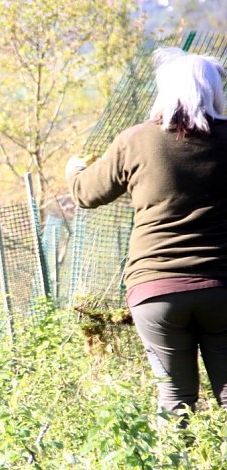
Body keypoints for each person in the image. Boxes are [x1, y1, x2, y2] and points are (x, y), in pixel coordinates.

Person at [66, 47, 227, 421]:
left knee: (175, 395)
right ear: (215, 90)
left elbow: (85, 194)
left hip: (155, 289)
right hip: (222, 285)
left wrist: (73, 171)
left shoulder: (136, 140)